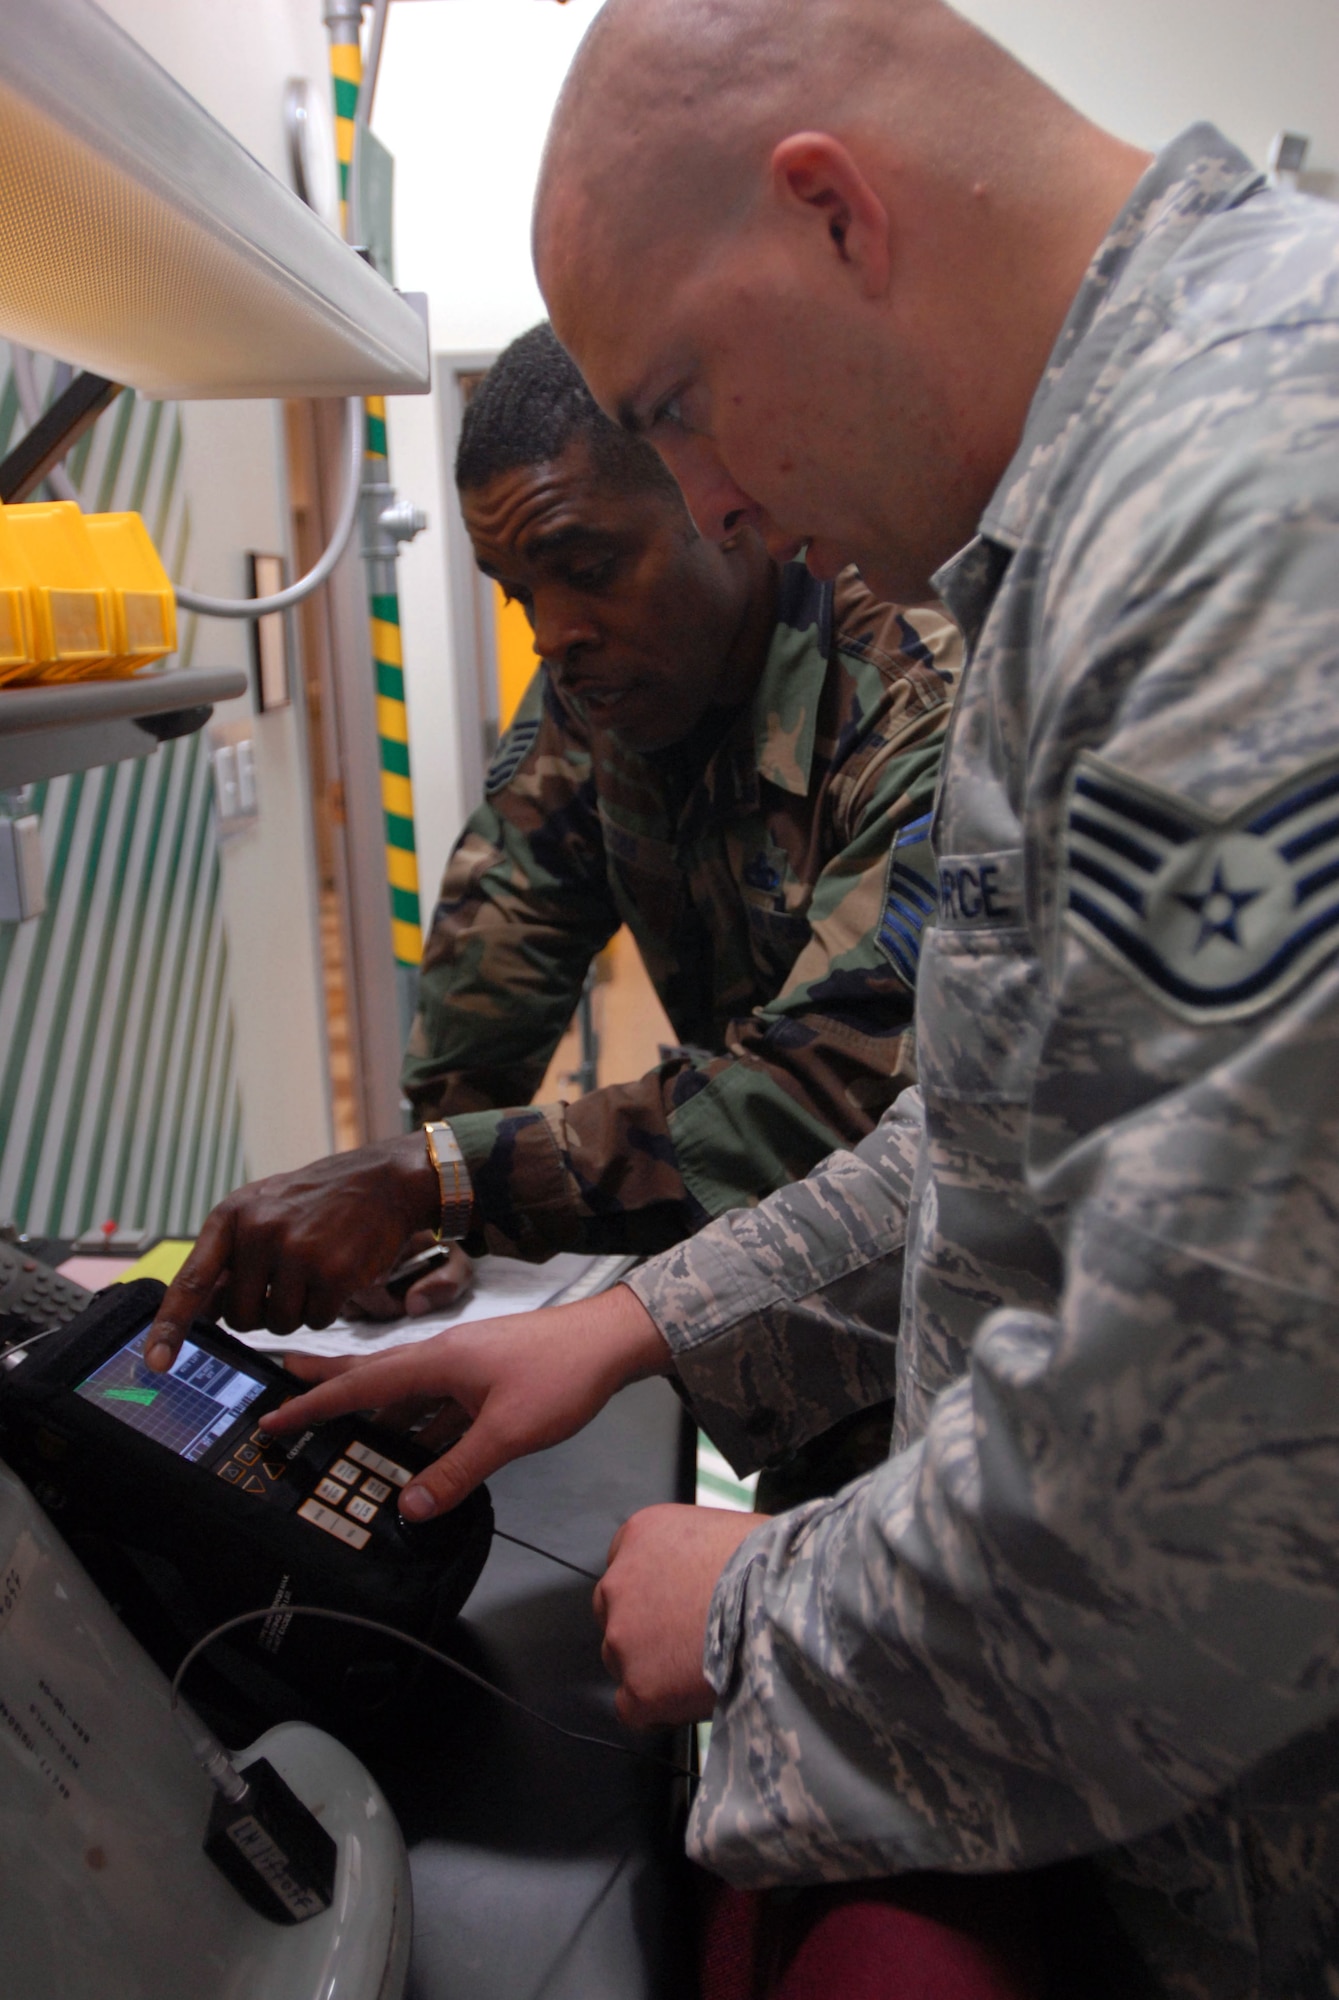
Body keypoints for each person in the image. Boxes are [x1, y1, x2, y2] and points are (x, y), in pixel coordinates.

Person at [151, 2, 1339, 1992]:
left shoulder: (1241, 521)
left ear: (832, 219)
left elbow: (1227, 1477)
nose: (710, 504)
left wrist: (753, 1616)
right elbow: (979, 1142)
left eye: (683, 401)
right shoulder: (1095, 531)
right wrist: (626, 1322)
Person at [397, 321, 957, 1286]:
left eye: (586, 568)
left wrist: (455, 1179)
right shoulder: (605, 683)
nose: (552, 635)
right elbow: (511, 915)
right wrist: (429, 1192)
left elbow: (830, 1086)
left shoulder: (913, 698)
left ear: (723, 510)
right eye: (516, 593)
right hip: (749, 1295)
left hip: (935, 1300)